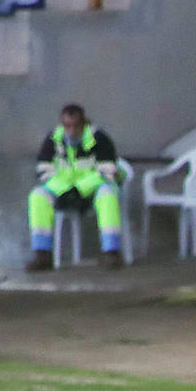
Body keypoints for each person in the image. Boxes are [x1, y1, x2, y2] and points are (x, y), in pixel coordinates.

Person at [24, 104, 125, 273]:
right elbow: (43, 171)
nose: (70, 131)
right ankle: (42, 255)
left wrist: (80, 189)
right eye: (66, 126)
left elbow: (108, 171)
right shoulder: (53, 139)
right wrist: (65, 191)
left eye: (75, 126)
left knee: (108, 194)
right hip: (64, 192)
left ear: (84, 124)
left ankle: (112, 252)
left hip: (93, 190)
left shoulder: (99, 138)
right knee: (38, 195)